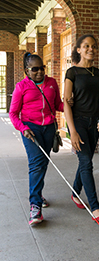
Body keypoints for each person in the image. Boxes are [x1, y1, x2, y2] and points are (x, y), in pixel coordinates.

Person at [9, 52, 64, 225]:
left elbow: (57, 105)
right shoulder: (21, 87)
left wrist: (71, 104)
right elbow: (13, 113)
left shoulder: (52, 83)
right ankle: (35, 206)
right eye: (35, 69)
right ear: (27, 70)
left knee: (43, 163)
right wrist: (23, 128)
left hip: (48, 128)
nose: (40, 72)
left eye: (42, 68)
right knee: (36, 164)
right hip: (30, 129)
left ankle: (37, 193)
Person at [64, 34, 99, 222]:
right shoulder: (72, 73)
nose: (90, 49)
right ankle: (95, 207)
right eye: (86, 46)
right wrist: (72, 131)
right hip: (78, 123)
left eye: (93, 46)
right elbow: (66, 103)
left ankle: (75, 193)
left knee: (85, 161)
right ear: (78, 49)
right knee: (86, 163)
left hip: (94, 123)